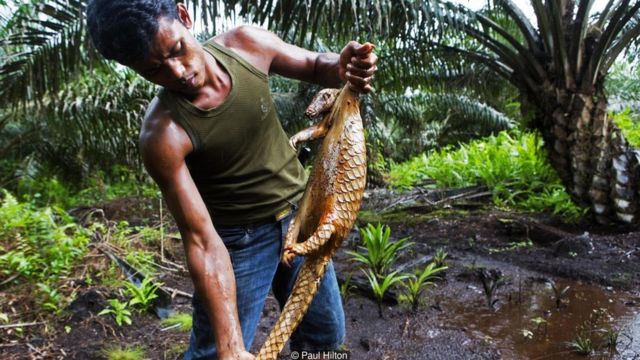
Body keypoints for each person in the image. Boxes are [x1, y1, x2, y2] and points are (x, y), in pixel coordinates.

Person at [86, 1, 377, 359]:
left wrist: (344, 65)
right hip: (238, 242)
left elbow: (319, 66)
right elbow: (202, 241)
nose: (177, 72)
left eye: (176, 49)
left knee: (325, 338)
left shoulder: (246, 45)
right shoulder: (163, 135)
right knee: (215, 354)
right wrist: (232, 346)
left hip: (302, 216)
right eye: (154, 70)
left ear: (183, 15)